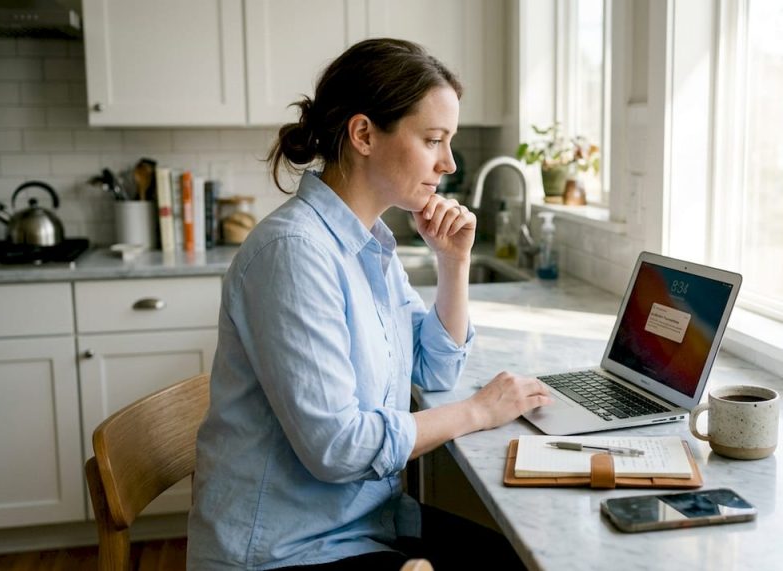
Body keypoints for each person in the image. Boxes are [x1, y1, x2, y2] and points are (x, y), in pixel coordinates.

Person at [187, 38, 553, 570]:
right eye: (433, 140)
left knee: (529, 554)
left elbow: (434, 368)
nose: (448, 162)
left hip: (362, 524)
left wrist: (453, 263)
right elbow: (339, 448)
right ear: (363, 134)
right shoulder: (294, 253)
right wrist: (477, 412)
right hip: (286, 552)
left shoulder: (370, 244)